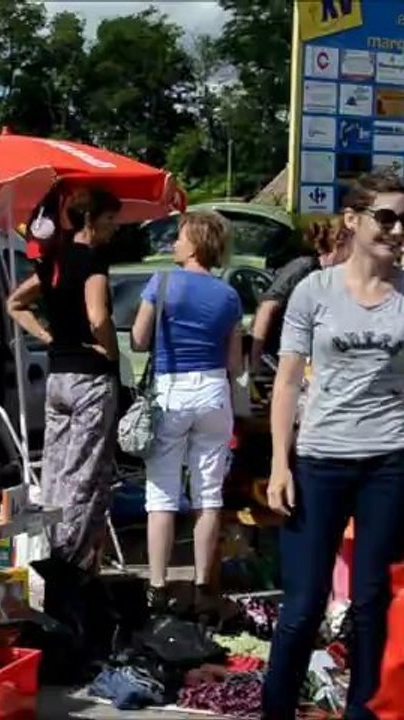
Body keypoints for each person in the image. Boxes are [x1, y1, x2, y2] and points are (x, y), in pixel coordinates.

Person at [263, 171, 404, 720]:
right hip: (320, 461)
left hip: (389, 462)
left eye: (403, 220)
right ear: (353, 220)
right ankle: (275, 711)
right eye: (386, 217)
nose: (396, 230)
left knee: (373, 601)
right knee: (301, 607)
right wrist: (280, 463)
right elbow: (288, 381)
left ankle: (364, 712)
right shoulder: (313, 291)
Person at [130, 211, 243, 618]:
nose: (173, 244)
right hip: (214, 390)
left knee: (161, 495)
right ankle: (202, 589)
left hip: (171, 390)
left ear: (193, 243)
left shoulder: (160, 283)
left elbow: (140, 341)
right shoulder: (229, 295)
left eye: (178, 237)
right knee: (208, 496)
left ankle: (158, 590)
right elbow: (236, 363)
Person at [6, 187, 121, 575]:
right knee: (85, 473)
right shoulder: (92, 261)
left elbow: (15, 304)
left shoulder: (53, 258)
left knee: (55, 467)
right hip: (90, 377)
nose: (114, 229)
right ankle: (69, 561)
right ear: (90, 220)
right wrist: (109, 350)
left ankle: (45, 549)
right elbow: (97, 316)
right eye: (109, 220)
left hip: (58, 376)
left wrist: (47, 337)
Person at [249, 219, 351, 371]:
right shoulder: (304, 267)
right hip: (278, 354)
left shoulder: (338, 276)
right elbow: (267, 307)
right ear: (339, 244)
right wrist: (254, 359)